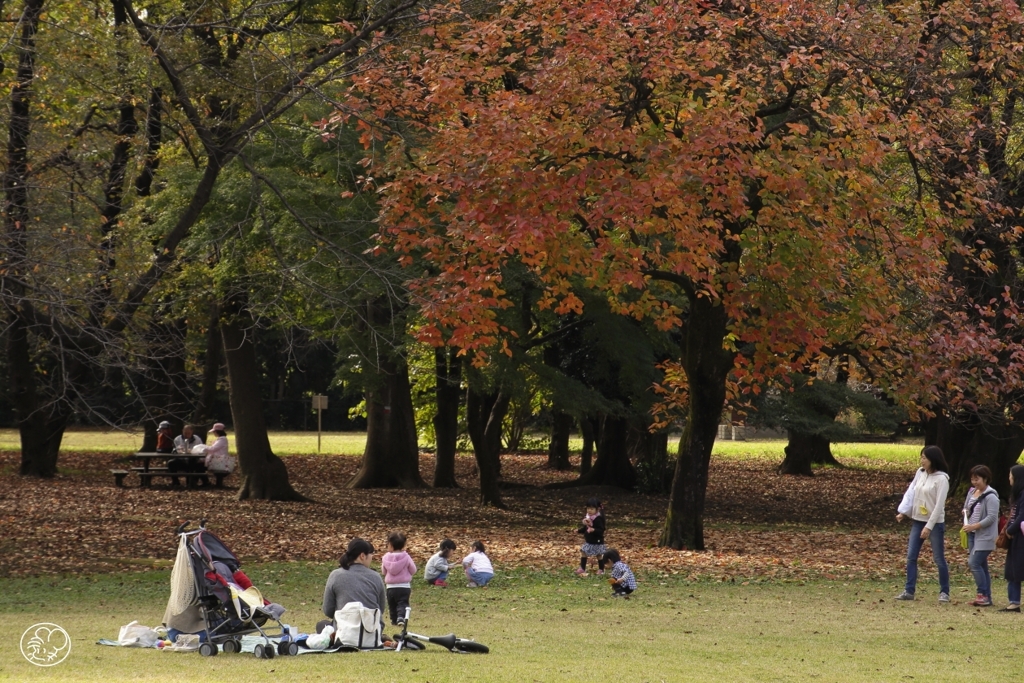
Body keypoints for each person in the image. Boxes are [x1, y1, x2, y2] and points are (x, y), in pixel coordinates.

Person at [895, 445, 951, 602]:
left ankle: (944, 592)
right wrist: (904, 512)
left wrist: (929, 526)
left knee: (938, 558)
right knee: (911, 557)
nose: (922, 461)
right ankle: (909, 591)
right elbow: (912, 493)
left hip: (934, 523)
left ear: (933, 459)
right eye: (921, 457)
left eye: (924, 458)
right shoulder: (920, 473)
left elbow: (939, 506)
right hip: (918, 520)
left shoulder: (942, 479)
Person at [323, 538, 388, 636]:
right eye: (371, 554)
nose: (372, 557)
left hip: (345, 632)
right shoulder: (376, 577)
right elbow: (380, 609)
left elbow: (328, 610)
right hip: (372, 632)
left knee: (322, 625)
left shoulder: (335, 575)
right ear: (362, 556)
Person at [961, 465, 999, 606]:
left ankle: (981, 593)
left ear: (986, 479)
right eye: (972, 479)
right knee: (981, 565)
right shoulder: (972, 492)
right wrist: (965, 514)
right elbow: (966, 507)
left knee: (974, 562)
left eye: (977, 479)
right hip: (971, 534)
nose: (974, 482)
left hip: (985, 535)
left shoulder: (991, 496)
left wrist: (975, 526)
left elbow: (991, 517)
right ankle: (986, 597)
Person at [381, 532, 417, 626]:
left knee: (392, 604)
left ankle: (393, 620)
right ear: (403, 545)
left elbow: (384, 571)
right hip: (404, 586)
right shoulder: (406, 557)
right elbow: (413, 569)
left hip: (390, 587)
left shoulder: (385, 558)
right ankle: (401, 617)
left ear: (391, 545)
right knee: (403, 602)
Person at [1003, 464, 1024, 611]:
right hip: (1016, 537)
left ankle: (1015, 602)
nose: (1009, 478)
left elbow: (1022, 516)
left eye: (1010, 475)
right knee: (1012, 570)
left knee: (1017, 568)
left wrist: (1011, 529)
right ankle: (1014, 601)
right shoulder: (1018, 494)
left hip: (1020, 537)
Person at [575, 497, 607, 576]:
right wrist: (579, 531)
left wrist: (594, 530)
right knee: (583, 552)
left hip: (597, 541)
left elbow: (601, 530)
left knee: (599, 555)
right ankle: (582, 568)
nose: (589, 510)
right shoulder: (588, 518)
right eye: (588, 508)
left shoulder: (598, 519)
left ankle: (601, 569)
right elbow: (586, 528)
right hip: (589, 541)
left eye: (592, 509)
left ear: (597, 509)